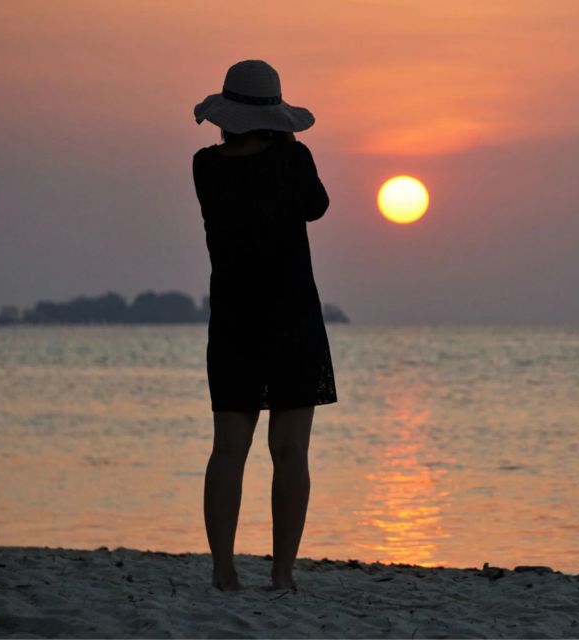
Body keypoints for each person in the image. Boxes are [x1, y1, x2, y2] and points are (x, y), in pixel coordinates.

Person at [192, 60, 337, 591]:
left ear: (226, 114)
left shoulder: (205, 166)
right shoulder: (292, 159)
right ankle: (282, 573)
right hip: (292, 315)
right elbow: (316, 207)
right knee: (291, 451)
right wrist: (287, 151)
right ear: (275, 116)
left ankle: (223, 569)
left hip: (233, 317)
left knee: (229, 448)